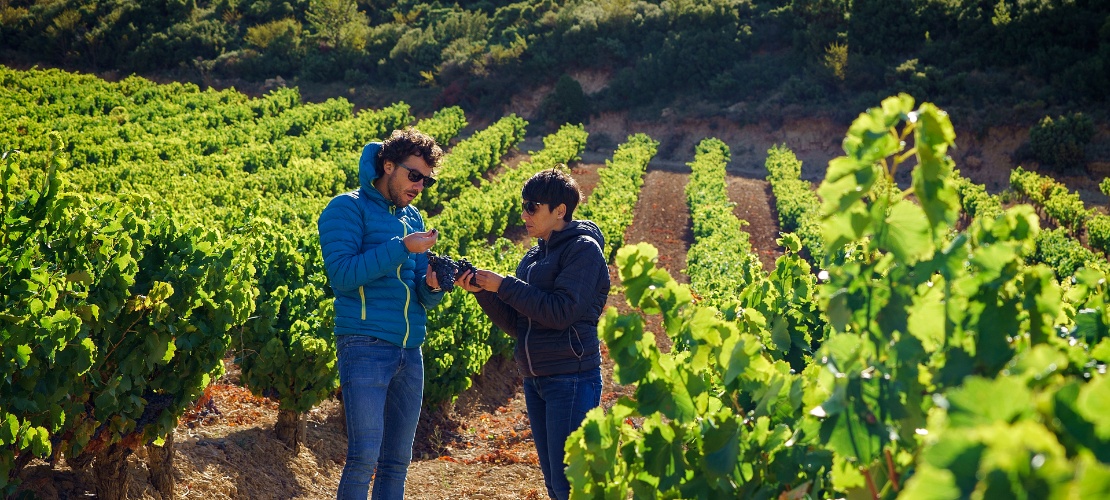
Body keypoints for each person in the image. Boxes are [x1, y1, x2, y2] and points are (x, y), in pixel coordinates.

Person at [456, 167, 609, 500]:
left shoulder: (583, 250)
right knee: (555, 484)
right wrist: (483, 291)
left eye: (532, 207)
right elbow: (518, 323)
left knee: (571, 486)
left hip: (571, 377)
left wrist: (505, 285)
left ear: (559, 211)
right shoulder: (535, 254)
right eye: (523, 205)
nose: (524, 214)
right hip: (537, 378)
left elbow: (560, 312)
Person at [317, 127, 446, 499]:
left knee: (397, 462)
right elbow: (341, 276)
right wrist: (401, 247)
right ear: (388, 165)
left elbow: (421, 293)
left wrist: (434, 286)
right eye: (414, 175)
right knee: (363, 457)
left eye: (427, 181)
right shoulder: (346, 207)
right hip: (365, 344)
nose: (420, 186)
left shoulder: (413, 219)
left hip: (410, 350)